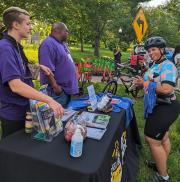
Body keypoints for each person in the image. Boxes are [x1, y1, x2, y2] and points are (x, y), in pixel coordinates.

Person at [0, 7, 64, 138]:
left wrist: (39, 67)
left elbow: (21, 70)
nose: (30, 28)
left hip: (24, 110)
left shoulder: (15, 45)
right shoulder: (5, 48)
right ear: (16, 25)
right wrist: (49, 100)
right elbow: (16, 85)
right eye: (27, 24)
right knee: (13, 155)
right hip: (13, 115)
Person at [133, 37, 180, 182]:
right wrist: (142, 82)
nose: (150, 52)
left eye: (153, 49)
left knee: (151, 138)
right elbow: (152, 79)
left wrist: (145, 84)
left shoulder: (167, 66)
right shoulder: (155, 64)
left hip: (166, 106)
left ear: (162, 50)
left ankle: (163, 176)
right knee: (163, 137)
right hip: (158, 105)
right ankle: (161, 163)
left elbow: (167, 89)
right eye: (149, 50)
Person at [38, 22, 79, 107]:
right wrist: (56, 88)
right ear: (56, 30)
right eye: (66, 31)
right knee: (57, 119)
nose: (68, 33)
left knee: (65, 117)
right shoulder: (48, 44)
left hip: (66, 91)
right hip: (57, 93)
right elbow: (47, 70)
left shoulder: (62, 44)